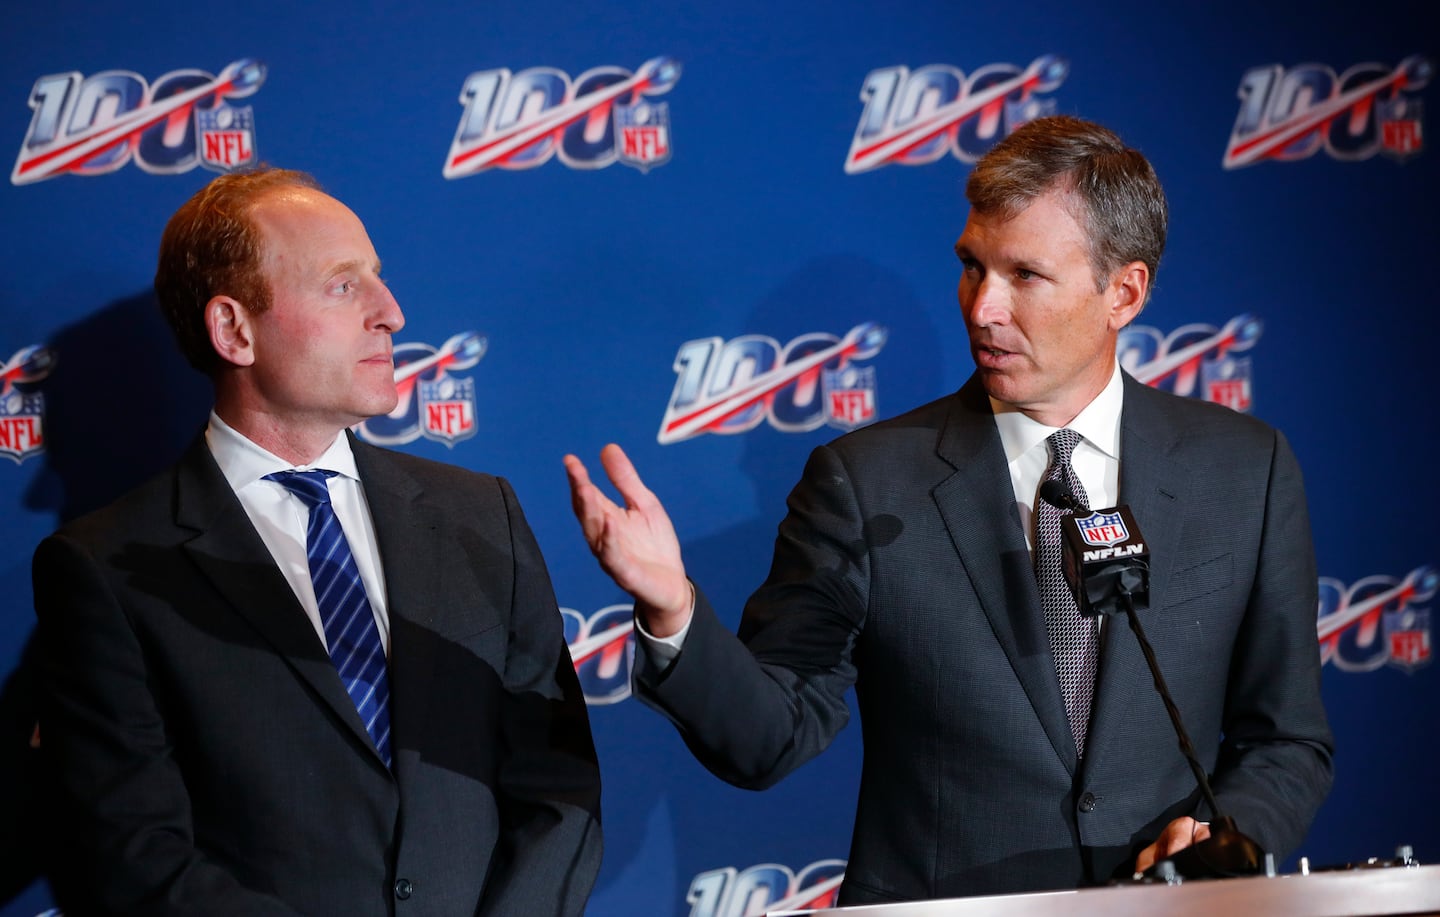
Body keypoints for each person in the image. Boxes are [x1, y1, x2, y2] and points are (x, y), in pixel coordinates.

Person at [565, 115, 1332, 905]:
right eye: (972, 266)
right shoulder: (865, 483)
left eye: (1024, 275)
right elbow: (769, 737)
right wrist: (673, 612)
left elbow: (1288, 740)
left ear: (1124, 292)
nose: (982, 307)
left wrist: (1226, 835)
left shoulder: (1245, 470)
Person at [33, 168, 602, 916]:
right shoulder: (106, 568)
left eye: (379, 278)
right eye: (343, 286)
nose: (391, 313)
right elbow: (137, 856)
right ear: (234, 329)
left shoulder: (478, 513)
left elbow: (557, 785)